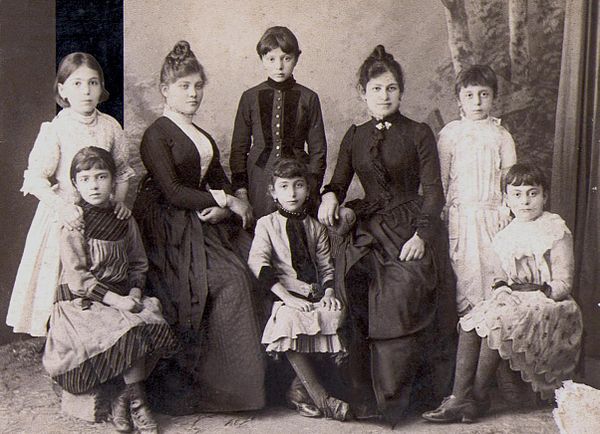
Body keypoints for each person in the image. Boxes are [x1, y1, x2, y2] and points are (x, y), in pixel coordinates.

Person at [132, 41, 265, 415]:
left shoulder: (200, 134)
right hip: (168, 228)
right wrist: (224, 202)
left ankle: (264, 383)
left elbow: (218, 178)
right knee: (228, 280)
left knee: (254, 263)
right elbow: (173, 192)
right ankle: (225, 390)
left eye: (197, 86)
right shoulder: (156, 135)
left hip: (202, 219)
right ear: (165, 90)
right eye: (184, 86)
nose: (193, 94)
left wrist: (229, 207)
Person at [318, 45, 445, 423]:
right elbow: (339, 181)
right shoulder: (354, 136)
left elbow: (433, 190)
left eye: (391, 88)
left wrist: (421, 235)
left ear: (401, 92)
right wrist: (329, 196)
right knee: (356, 279)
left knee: (403, 287)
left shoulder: (419, 132)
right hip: (369, 224)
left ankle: (400, 398)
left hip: (409, 224)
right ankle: (362, 395)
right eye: (376, 89)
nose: (384, 96)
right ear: (363, 92)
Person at [422, 163, 583, 423]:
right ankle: (459, 397)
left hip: (551, 302)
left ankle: (477, 396)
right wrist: (502, 290)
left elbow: (564, 282)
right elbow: (500, 276)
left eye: (533, 193)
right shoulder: (506, 234)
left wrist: (536, 292)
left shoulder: (555, 228)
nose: (525, 201)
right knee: (471, 322)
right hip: (517, 299)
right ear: (506, 199)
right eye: (517, 195)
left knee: (496, 323)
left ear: (545, 196)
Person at [43, 147, 179, 434]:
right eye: (86, 179)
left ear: (113, 181)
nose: (94, 185)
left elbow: (138, 263)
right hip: (83, 304)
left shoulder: (123, 218)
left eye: (101, 177)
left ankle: (124, 399)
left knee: (152, 321)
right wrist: (117, 300)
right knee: (129, 328)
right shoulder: (74, 224)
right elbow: (78, 279)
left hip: (121, 296)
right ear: (76, 185)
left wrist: (134, 293)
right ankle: (139, 405)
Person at [7, 52, 134, 337]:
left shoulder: (111, 126)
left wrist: (120, 202)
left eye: (93, 83)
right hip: (67, 215)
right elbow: (36, 178)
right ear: (62, 90)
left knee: (102, 272)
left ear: (101, 88)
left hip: (102, 214)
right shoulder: (57, 128)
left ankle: (100, 337)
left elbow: (123, 171)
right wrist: (62, 207)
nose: (86, 91)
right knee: (60, 277)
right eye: (77, 84)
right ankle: (62, 339)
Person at [248, 158, 350, 421]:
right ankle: (323, 400)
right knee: (290, 319)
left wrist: (328, 293)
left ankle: (297, 390)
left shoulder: (314, 227)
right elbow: (258, 263)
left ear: (308, 189)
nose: (292, 194)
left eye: (298, 186)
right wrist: (286, 298)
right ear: (273, 192)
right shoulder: (266, 224)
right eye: (283, 187)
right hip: (281, 295)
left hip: (313, 294)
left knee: (332, 315)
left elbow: (326, 266)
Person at [437, 64, 517, 316]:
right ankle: (466, 342)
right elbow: (440, 178)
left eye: (484, 94)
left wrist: (508, 209)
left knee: (496, 275)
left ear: (494, 96)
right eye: (469, 95)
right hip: (461, 217)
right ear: (459, 99)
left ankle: (491, 346)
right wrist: (442, 209)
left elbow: (509, 177)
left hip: (494, 216)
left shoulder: (501, 135)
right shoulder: (451, 134)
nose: (477, 101)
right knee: (465, 275)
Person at [230, 26, 327, 219]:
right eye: (271, 59)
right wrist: (241, 189)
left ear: (296, 59)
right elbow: (239, 147)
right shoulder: (250, 97)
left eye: (286, 58)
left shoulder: (309, 98)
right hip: (258, 177)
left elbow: (318, 149)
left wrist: (312, 185)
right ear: (262, 60)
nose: (279, 66)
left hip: (298, 178)